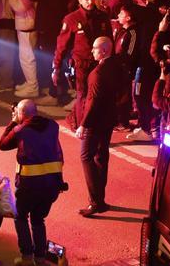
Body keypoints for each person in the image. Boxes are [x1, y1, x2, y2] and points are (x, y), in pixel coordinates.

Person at [0, 99, 64, 265]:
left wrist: (13, 121)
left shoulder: (21, 129)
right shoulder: (53, 126)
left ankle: (27, 256)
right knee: (38, 220)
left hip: (29, 187)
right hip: (52, 186)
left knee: (20, 217)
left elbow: (3, 144)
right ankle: (40, 259)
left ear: (21, 114)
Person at [75, 37, 117, 217]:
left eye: (94, 48)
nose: (92, 51)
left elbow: (92, 101)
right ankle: (101, 199)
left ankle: (95, 201)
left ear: (104, 51)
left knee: (86, 156)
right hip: (108, 119)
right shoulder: (116, 67)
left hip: (95, 121)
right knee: (101, 156)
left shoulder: (98, 72)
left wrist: (83, 124)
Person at [53, 0, 111, 115]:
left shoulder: (102, 17)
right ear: (80, 0)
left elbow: (109, 40)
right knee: (82, 95)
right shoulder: (71, 19)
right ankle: (81, 124)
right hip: (81, 64)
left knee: (99, 94)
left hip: (100, 64)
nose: (90, 2)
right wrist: (56, 68)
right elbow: (61, 45)